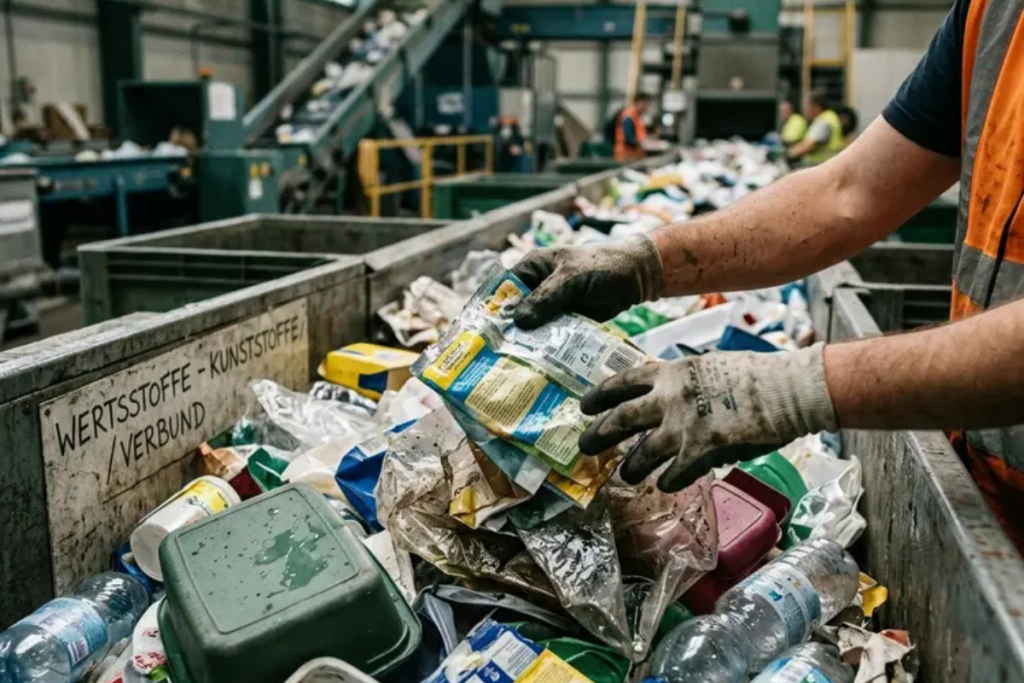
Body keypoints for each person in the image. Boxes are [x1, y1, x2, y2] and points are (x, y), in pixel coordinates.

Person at [510, 0, 1024, 553]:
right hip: (989, 491)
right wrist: (645, 264)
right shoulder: (991, 14)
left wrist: (786, 390)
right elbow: (848, 193)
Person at [786, 90, 844, 164]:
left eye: (805, 106)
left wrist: (789, 153)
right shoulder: (829, 116)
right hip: (826, 165)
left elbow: (809, 146)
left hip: (821, 166)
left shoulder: (823, 121)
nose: (804, 110)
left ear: (815, 106)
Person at [613, 94, 653, 162]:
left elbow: (639, 134)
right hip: (626, 156)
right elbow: (629, 138)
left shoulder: (637, 117)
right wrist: (645, 143)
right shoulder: (628, 116)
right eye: (646, 104)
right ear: (639, 103)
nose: (647, 107)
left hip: (635, 155)